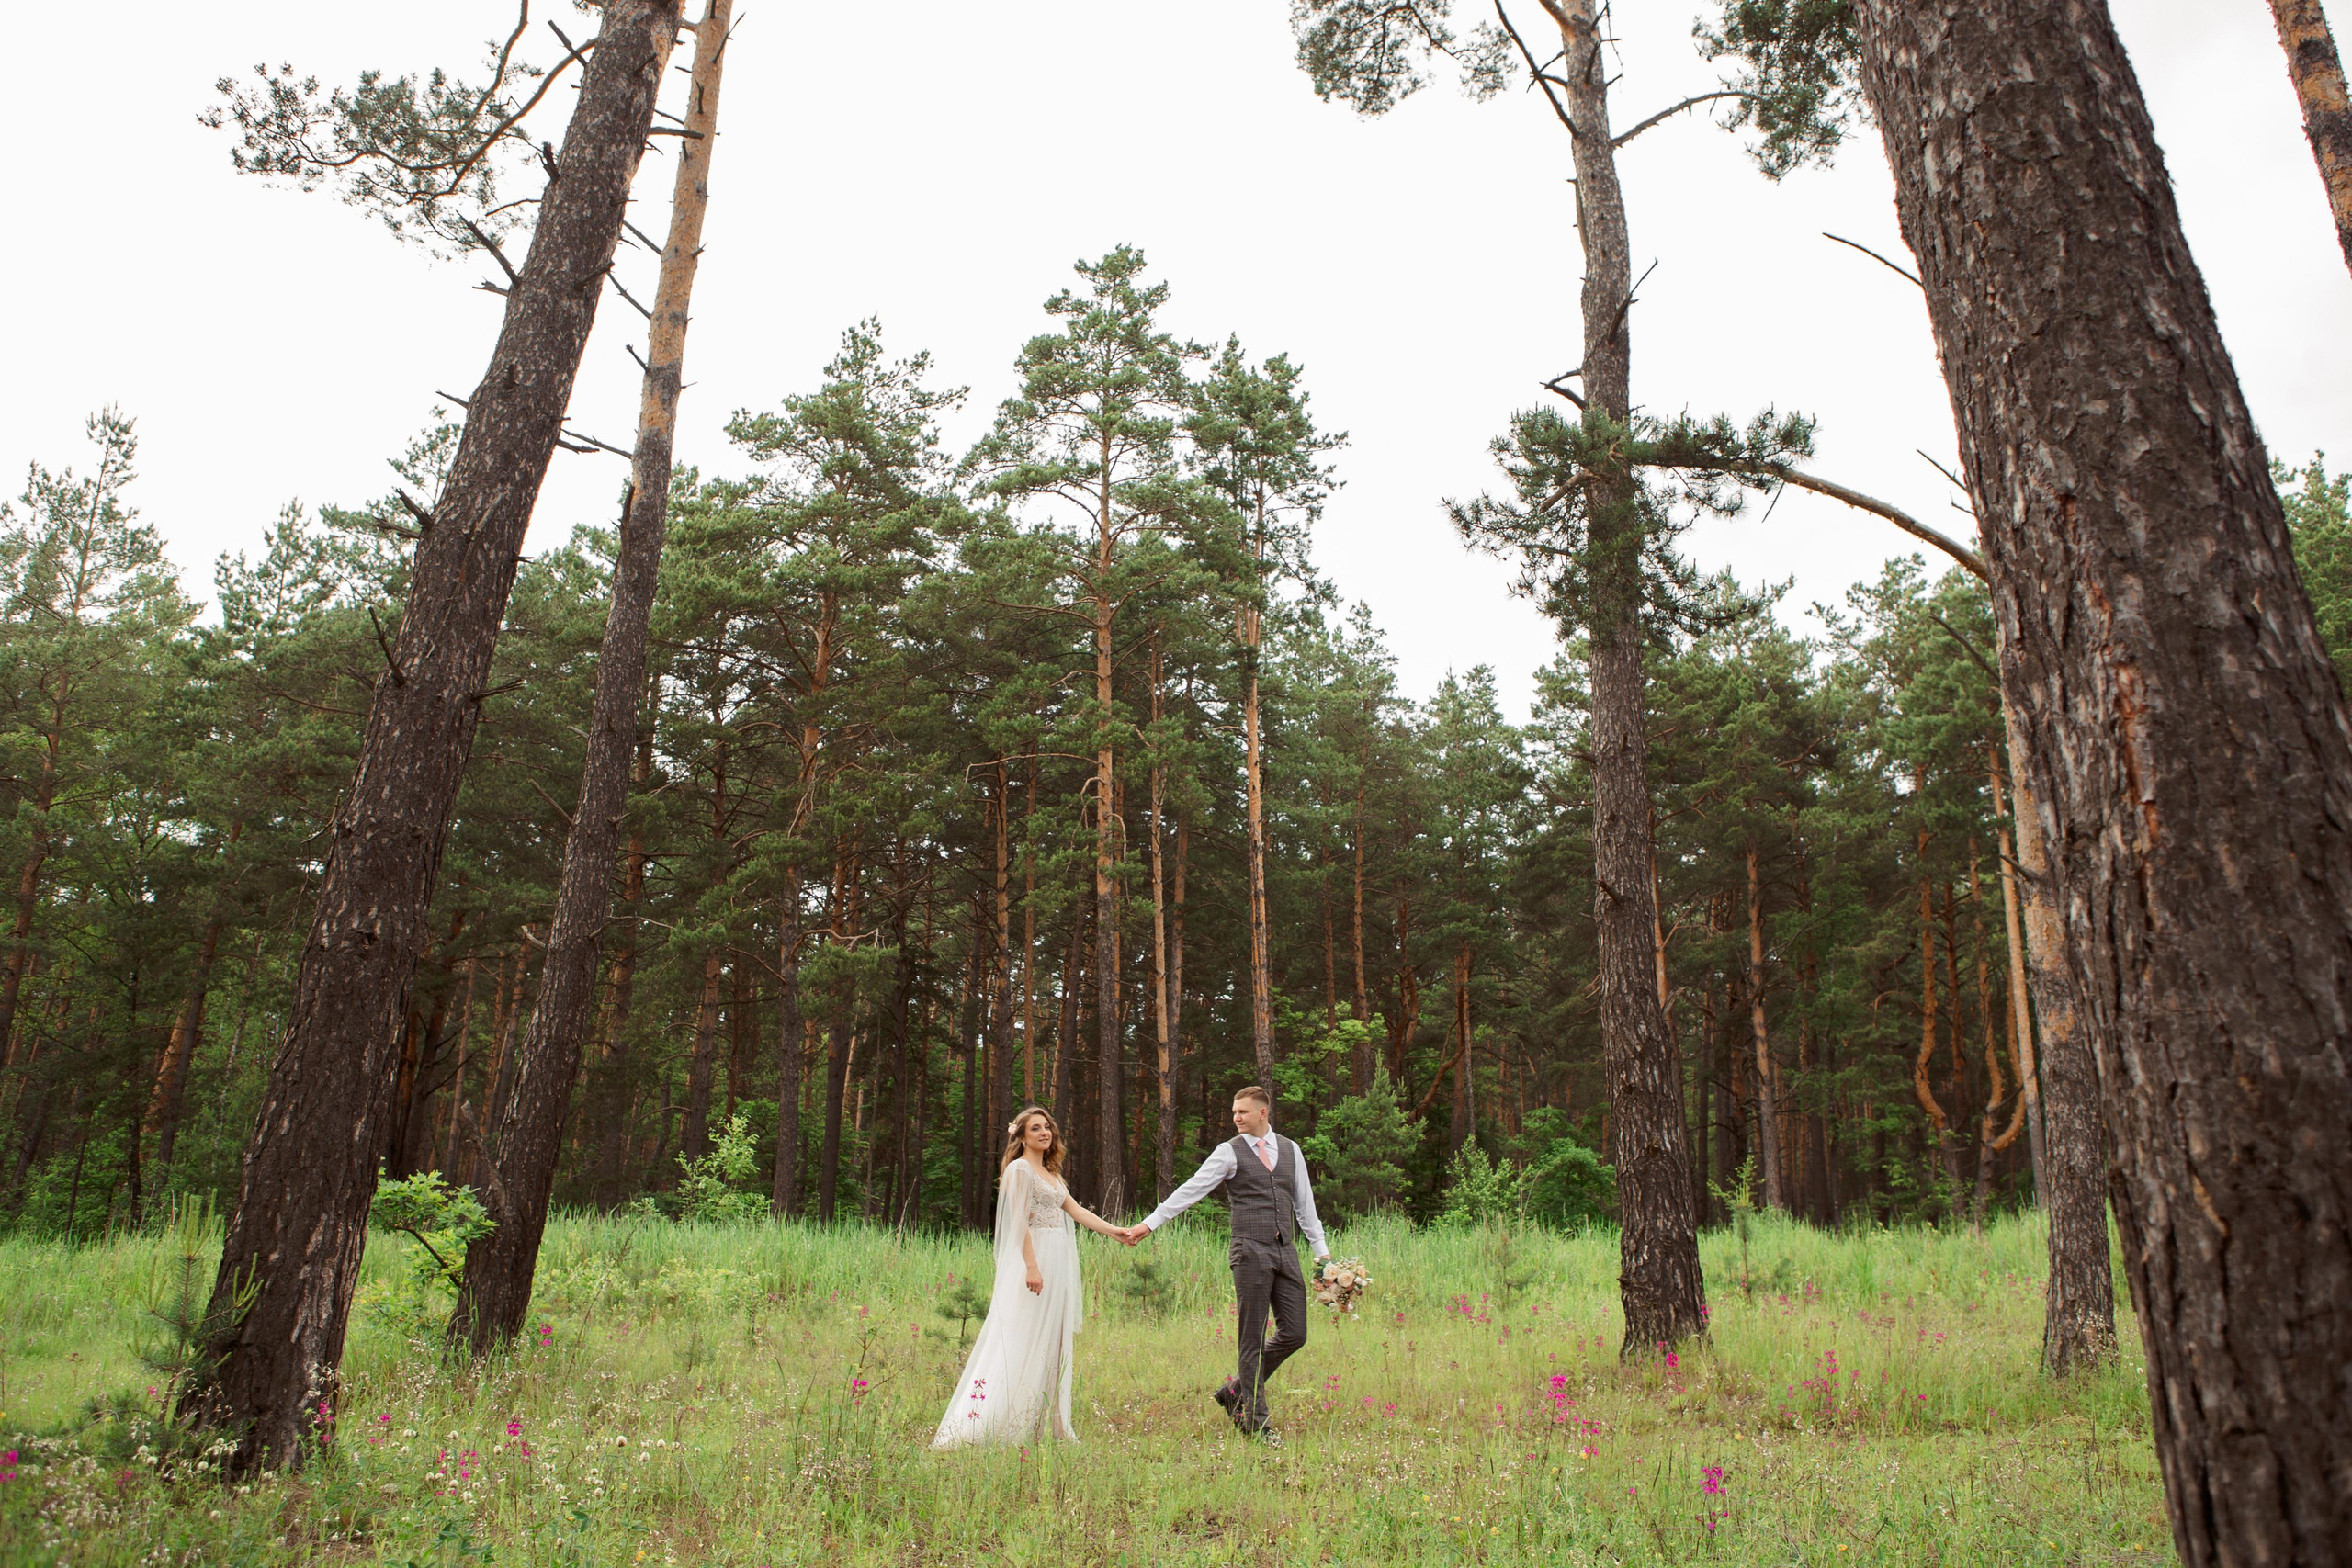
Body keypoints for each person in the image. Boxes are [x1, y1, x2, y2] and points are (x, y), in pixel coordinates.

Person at [1118, 1085, 1329, 1438]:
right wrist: (1149, 1224)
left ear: (1263, 1113)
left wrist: (1322, 1255)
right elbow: (1191, 1189)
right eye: (1234, 1112)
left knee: (1295, 1332)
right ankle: (1256, 1423)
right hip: (1249, 1252)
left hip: (1286, 1251)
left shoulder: (1291, 1150)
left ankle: (1234, 1393)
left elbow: (1305, 1207)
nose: (1236, 1117)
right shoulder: (1227, 1152)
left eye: (1242, 1112)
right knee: (1251, 1338)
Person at [932, 1106, 1125, 1446]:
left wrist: (1116, 1232)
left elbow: (1076, 1210)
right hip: (1033, 1260)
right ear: (1021, 1137)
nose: (1044, 1132)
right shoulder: (1020, 1170)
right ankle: (1001, 1420)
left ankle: (1052, 1423)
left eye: (1047, 1127)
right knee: (1025, 1334)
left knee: (1054, 1337)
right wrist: (1031, 1267)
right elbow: (1018, 1222)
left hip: (1058, 1257)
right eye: (1035, 1128)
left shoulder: (1052, 1173)